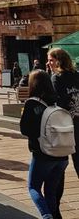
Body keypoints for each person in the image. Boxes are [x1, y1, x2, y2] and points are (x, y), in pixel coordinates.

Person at [20, 70, 69, 219]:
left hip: (43, 153)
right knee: (51, 191)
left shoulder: (32, 103)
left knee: (33, 187)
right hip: (62, 154)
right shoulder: (56, 100)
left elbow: (25, 129)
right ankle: (54, 215)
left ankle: (47, 216)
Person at [48, 47, 79, 218]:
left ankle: (55, 210)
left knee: (59, 168)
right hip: (78, 127)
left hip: (64, 130)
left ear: (59, 60)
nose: (49, 63)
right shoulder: (77, 75)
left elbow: (56, 103)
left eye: (51, 60)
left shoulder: (56, 78)